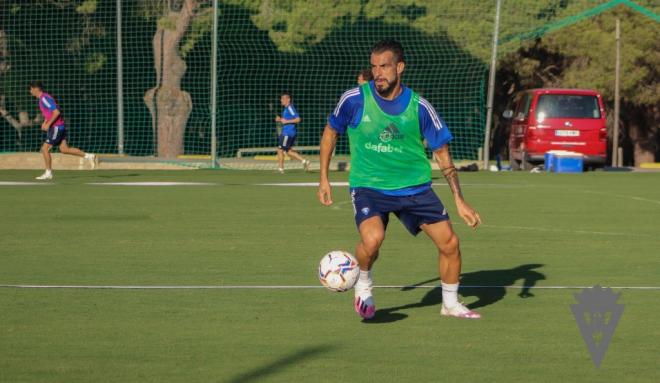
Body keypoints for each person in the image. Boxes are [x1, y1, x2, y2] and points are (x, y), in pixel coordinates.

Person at [317, 39, 482, 320]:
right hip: (369, 186)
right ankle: (364, 283)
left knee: (450, 244)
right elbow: (331, 132)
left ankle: (450, 304)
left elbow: (442, 152)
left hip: (414, 188)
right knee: (372, 240)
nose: (378, 73)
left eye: (384, 66)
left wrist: (459, 200)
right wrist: (324, 178)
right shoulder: (354, 99)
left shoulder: (420, 107)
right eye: (374, 67)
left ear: (400, 67)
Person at [30, 81, 95, 180]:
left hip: (56, 127)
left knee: (44, 149)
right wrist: (45, 122)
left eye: (30, 89)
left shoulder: (44, 98)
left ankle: (48, 173)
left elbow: (56, 112)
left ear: (36, 89)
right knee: (64, 149)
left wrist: (48, 124)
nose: (30, 91)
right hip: (59, 126)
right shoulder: (44, 98)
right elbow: (50, 112)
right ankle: (88, 156)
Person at [275, 91, 310, 173]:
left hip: (288, 133)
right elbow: (286, 120)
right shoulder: (286, 109)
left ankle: (280, 169)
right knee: (288, 151)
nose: (281, 100)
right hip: (289, 132)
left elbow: (298, 119)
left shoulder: (290, 108)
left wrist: (286, 121)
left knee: (280, 150)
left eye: (283, 98)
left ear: (288, 99)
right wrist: (280, 119)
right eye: (281, 99)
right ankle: (304, 161)